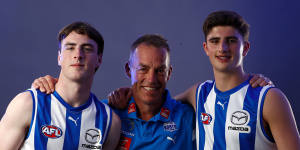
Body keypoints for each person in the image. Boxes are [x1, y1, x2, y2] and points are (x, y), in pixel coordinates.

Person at [31, 34, 196, 149]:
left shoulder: (188, 116)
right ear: (128, 69)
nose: (151, 79)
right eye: (143, 69)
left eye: (160, 70)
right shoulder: (104, 114)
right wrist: (51, 86)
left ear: (169, 72)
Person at [175, 10, 300, 150]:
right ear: (206, 48)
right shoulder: (199, 93)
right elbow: (159, 105)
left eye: (231, 41)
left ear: (245, 48)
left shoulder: (269, 99)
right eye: (215, 41)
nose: (222, 48)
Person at [0, 22, 121, 150]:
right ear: (59, 57)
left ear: (99, 60)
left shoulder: (110, 122)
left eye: (87, 48)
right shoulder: (27, 104)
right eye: (70, 47)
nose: (78, 55)